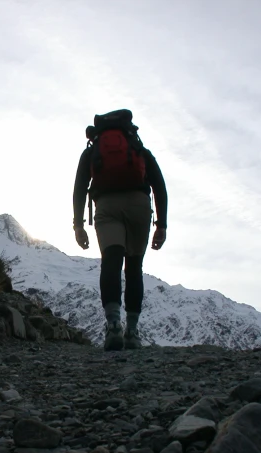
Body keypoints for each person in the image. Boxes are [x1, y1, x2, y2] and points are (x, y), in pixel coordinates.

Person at [72, 109, 168, 351]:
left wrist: (78, 225)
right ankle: (133, 332)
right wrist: (162, 225)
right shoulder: (138, 150)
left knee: (111, 262)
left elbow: (80, 187)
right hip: (139, 206)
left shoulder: (92, 152)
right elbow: (159, 185)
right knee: (134, 266)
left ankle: (114, 326)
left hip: (106, 206)